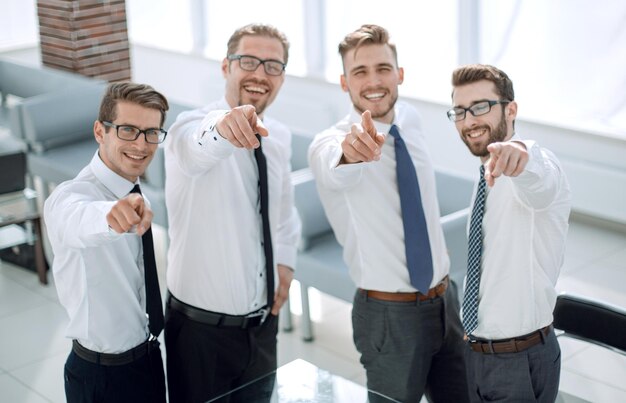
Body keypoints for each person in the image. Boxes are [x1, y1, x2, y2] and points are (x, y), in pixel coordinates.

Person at [308, 24, 469, 403]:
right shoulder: (330, 142)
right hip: (389, 316)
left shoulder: (411, 120)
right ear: (344, 83)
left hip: (446, 301)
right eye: (359, 72)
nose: (373, 81)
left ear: (400, 74)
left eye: (383, 68)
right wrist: (352, 151)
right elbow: (336, 164)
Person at [164, 23, 301, 403]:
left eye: (273, 66)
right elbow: (197, 147)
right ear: (226, 67)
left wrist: (285, 264)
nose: (260, 74)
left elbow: (285, 211)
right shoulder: (187, 128)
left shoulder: (279, 137)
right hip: (198, 334)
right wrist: (224, 129)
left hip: (261, 331)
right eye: (249, 62)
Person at [448, 64, 571, 402]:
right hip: (480, 351)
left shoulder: (533, 165)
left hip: (516, 360)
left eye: (481, 107)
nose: (470, 120)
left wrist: (521, 158)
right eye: (460, 111)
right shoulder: (486, 172)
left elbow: (538, 177)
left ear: (511, 109)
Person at [44, 82, 169, 403]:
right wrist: (111, 216)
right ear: (100, 131)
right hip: (102, 378)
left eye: (151, 133)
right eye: (128, 130)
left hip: (148, 359)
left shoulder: (135, 188)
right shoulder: (70, 197)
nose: (141, 145)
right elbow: (78, 220)